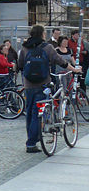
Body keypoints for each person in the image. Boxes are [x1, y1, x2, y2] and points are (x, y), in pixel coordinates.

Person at [18, 24, 80, 153]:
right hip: (43, 84)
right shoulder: (48, 47)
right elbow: (61, 61)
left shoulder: (25, 47)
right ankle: (31, 143)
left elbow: (20, 65)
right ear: (42, 34)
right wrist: (74, 69)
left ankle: (31, 140)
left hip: (28, 85)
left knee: (29, 113)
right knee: (37, 113)